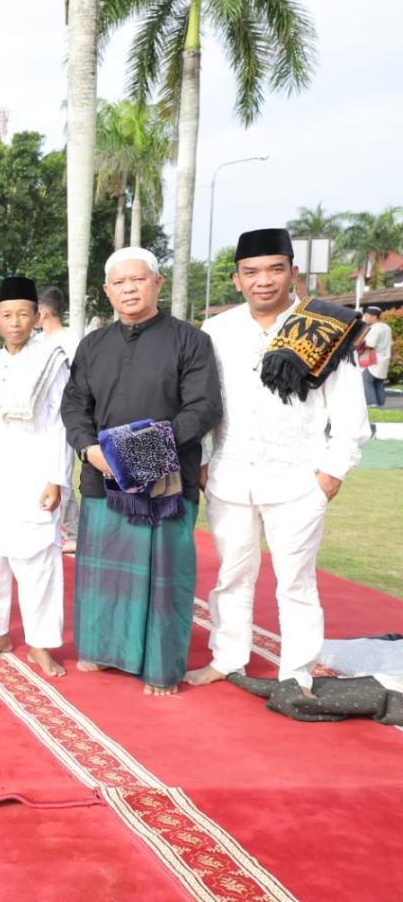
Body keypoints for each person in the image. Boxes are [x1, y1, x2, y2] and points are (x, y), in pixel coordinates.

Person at [186, 229, 371, 693]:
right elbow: (205, 402)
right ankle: (227, 658)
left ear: (292, 272)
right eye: (251, 272)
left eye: (274, 269)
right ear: (236, 279)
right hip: (229, 478)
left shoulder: (326, 328)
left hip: (298, 480)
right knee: (231, 576)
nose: (263, 281)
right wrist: (206, 460)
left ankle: (296, 673)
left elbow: (351, 414)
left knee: (296, 583)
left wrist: (331, 474)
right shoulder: (219, 330)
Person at [61, 247, 222, 696]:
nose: (129, 289)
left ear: (158, 283)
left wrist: (136, 456)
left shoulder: (190, 341)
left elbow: (203, 407)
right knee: (104, 577)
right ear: (107, 291)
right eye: (120, 282)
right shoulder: (93, 345)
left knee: (164, 578)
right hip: (102, 477)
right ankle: (105, 650)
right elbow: (75, 404)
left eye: (138, 279)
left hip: (166, 483)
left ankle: (159, 667)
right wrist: (90, 448)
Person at [0, 276, 71, 677]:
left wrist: (55, 479)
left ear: (37, 317)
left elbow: (61, 424)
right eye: (7, 315)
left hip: (35, 474)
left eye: (23, 314)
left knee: (38, 561)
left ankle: (41, 643)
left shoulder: (52, 361)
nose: (15, 322)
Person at [38, 286, 81, 552]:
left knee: (60, 474)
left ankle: (75, 532)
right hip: (39, 422)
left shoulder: (70, 341)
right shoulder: (37, 343)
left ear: (42, 312)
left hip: (64, 418)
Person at [360, 306, 393, 408]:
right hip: (384, 359)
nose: (365, 318)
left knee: (367, 382)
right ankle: (381, 405)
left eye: (366, 315)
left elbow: (370, 344)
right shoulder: (386, 327)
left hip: (373, 360)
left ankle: (372, 404)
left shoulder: (375, 328)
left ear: (374, 316)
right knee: (378, 383)